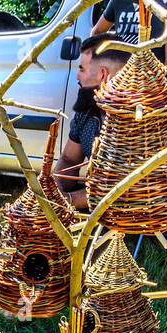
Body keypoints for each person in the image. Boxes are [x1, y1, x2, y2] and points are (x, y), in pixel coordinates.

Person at [55, 34, 127, 211]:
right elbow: (68, 159)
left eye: (82, 69)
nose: (77, 77)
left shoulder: (132, 121)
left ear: (103, 75)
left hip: (130, 209)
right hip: (98, 201)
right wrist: (54, 190)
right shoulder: (88, 109)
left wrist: (66, 201)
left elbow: (118, 185)